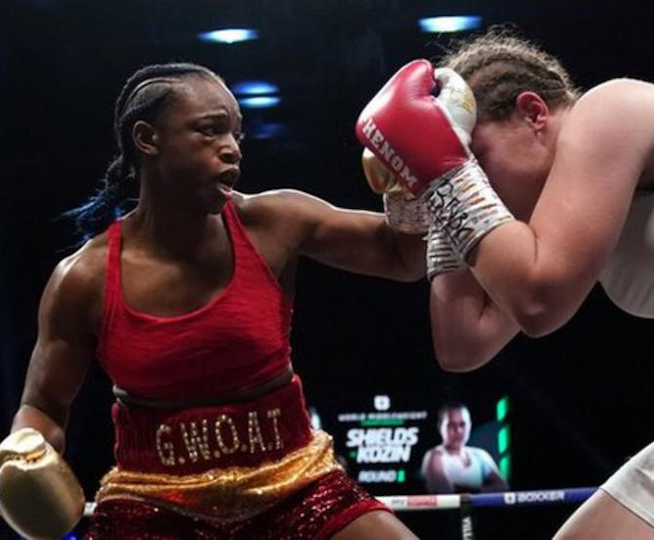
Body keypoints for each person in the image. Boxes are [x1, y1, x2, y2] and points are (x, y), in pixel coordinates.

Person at [1, 62, 426, 539]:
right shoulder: (83, 279)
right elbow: (43, 403)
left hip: (294, 482)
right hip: (153, 500)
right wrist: (27, 451)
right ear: (147, 138)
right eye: (210, 131)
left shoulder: (274, 222)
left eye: (237, 134)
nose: (232, 149)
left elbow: (402, 257)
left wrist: (416, 176)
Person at [356, 25, 654, 540]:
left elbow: (538, 301)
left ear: (532, 113)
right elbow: (462, 343)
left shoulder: (610, 110)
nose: (476, 185)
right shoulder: (563, 226)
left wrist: (446, 174)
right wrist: (437, 199)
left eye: (478, 160)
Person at [421, 402, 507, 494]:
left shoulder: (480, 455)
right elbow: (447, 494)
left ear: (470, 425)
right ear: (440, 427)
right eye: (451, 425)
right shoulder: (435, 456)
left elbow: (504, 488)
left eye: (462, 424)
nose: (458, 430)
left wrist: (467, 490)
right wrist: (482, 491)